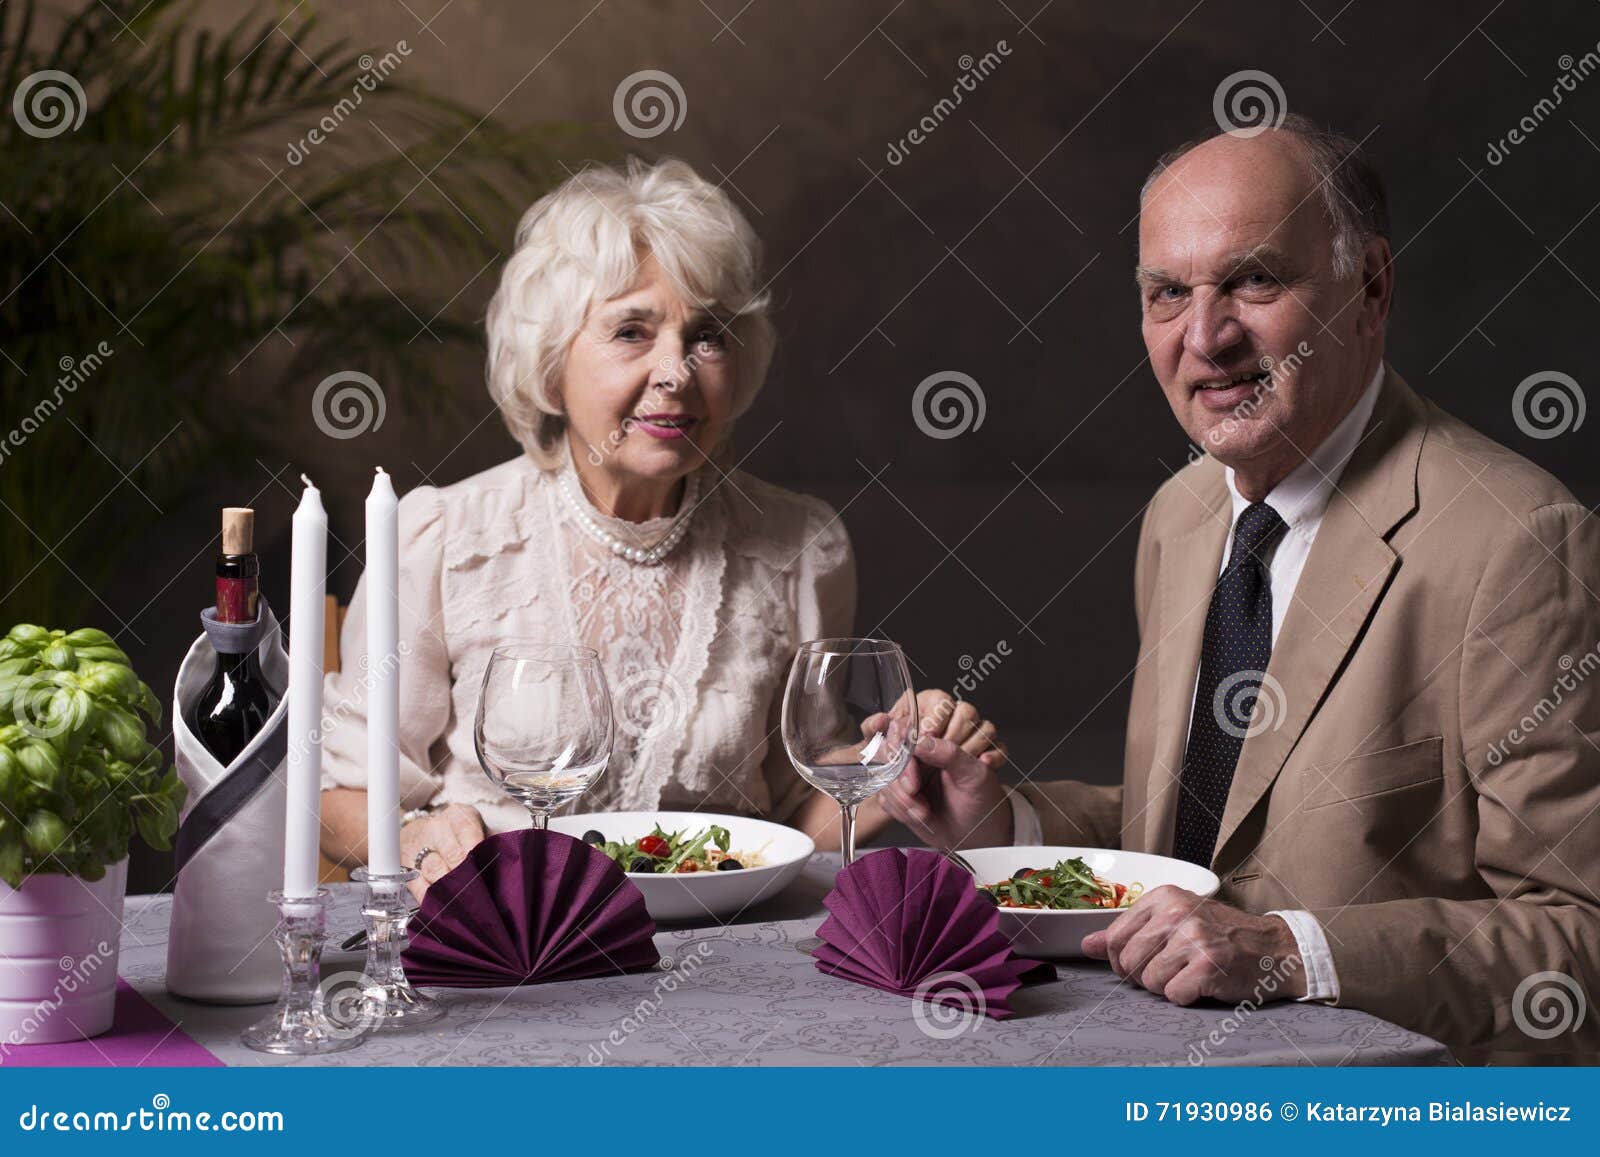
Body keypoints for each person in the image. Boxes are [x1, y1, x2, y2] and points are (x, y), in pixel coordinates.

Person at [883, 116, 1600, 1064]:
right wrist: (1000, 823)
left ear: (1371, 288)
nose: (1207, 337)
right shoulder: (1183, 516)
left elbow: (1580, 933)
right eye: (1167, 293)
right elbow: (1198, 837)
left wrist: (1290, 950)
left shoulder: (1517, 542)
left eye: (1255, 280)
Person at [316, 159, 1006, 896]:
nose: (677, 371)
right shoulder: (448, 538)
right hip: (503, 948)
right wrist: (416, 837)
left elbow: (783, 818)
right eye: (632, 331)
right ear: (551, 366)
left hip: (721, 967)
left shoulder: (801, 548)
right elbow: (334, 794)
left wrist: (892, 769)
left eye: (707, 335)